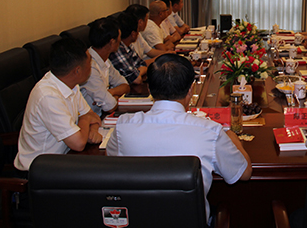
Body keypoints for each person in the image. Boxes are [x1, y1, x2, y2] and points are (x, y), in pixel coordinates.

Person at [107, 54, 252, 224]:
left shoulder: (123, 127)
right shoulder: (210, 131)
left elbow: (112, 163)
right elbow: (244, 173)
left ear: (150, 90)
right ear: (190, 90)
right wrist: (233, 138)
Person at [14, 38, 102, 171]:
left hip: (64, 158)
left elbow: (93, 116)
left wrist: (93, 130)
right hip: (39, 170)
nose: (91, 66)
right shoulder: (48, 96)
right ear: (77, 71)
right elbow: (78, 143)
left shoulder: (70, 84)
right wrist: (85, 119)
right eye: (90, 62)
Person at [81, 17, 130, 116]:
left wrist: (110, 92)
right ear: (112, 42)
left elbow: (125, 86)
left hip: (101, 115)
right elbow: (110, 106)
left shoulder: (105, 59)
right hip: (92, 118)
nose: (120, 41)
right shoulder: (89, 66)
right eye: (119, 38)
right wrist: (112, 96)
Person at [108, 12, 148, 84]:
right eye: (137, 30)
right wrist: (137, 73)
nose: (138, 33)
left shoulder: (128, 46)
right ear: (133, 34)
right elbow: (136, 80)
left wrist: (137, 73)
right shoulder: (117, 50)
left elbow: (142, 64)